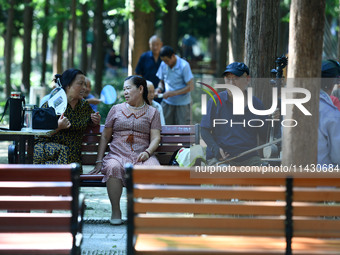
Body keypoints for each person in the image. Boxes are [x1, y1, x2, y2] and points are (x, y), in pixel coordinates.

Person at [89, 75, 161, 225]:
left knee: (155, 170)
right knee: (113, 167)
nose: (125, 93)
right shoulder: (115, 110)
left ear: (140, 89)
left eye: (128, 88)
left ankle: (140, 210)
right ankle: (116, 210)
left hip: (142, 156)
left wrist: (148, 152)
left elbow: (156, 138)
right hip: (117, 154)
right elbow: (105, 136)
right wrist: (98, 161)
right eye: (124, 90)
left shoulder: (153, 112)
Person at [200, 62, 268, 166]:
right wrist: (215, 148)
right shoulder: (215, 101)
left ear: (247, 80)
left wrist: (273, 121)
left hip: (249, 158)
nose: (231, 83)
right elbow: (204, 130)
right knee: (224, 173)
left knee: (265, 173)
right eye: (228, 78)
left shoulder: (256, 104)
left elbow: (265, 135)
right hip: (221, 159)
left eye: (236, 78)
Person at [34, 68, 101, 168]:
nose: (84, 88)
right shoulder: (53, 104)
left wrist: (94, 120)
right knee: (63, 152)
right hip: (47, 152)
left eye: (85, 85)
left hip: (71, 157)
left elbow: (89, 121)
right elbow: (38, 136)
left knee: (67, 156)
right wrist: (58, 127)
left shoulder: (84, 106)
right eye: (80, 84)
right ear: (68, 86)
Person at [155, 45, 194, 125]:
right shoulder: (163, 64)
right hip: (167, 103)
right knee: (165, 129)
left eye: (167, 61)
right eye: (163, 61)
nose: (165, 63)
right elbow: (161, 81)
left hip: (183, 104)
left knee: (183, 131)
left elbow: (191, 86)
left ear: (173, 56)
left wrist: (173, 93)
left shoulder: (184, 65)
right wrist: (159, 88)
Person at [318, 60, 340, 166]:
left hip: (292, 177)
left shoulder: (294, 105)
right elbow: (337, 156)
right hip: (323, 178)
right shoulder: (331, 112)